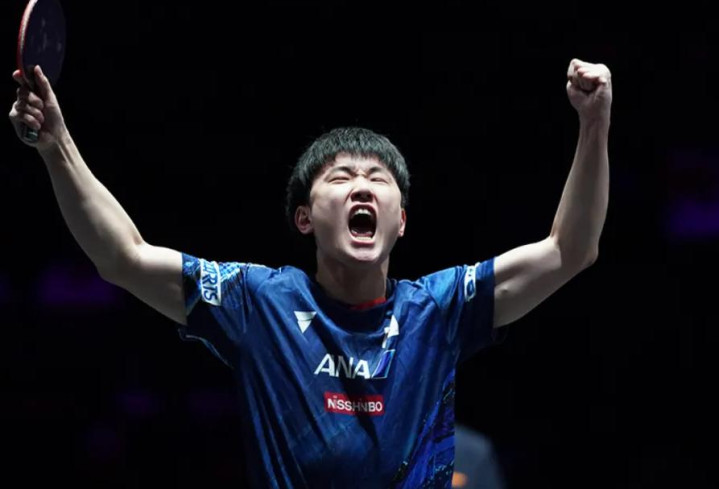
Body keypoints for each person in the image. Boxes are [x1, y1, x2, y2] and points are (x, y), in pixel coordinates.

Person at [8, 58, 611, 488]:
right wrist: (57, 145)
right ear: (304, 218)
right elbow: (125, 256)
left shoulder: (439, 309)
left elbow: (570, 249)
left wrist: (593, 125)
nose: (362, 187)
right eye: (341, 177)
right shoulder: (258, 302)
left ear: (401, 221)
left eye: (379, 179)